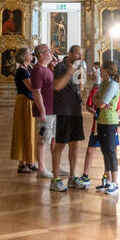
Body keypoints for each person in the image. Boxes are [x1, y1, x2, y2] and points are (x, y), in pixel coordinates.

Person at [50, 44, 87, 192]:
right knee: (60, 145)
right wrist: (71, 71)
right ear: (70, 54)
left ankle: (72, 177)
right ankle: (55, 179)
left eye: (81, 54)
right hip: (64, 109)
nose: (80, 57)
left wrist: (81, 76)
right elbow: (57, 86)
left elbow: (80, 89)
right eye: (77, 54)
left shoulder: (77, 68)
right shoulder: (60, 67)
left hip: (75, 109)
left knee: (74, 144)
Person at [29, 43, 55, 178]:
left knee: (53, 138)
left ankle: (56, 166)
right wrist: (42, 111)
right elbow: (36, 92)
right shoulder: (38, 70)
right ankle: (41, 169)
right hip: (46, 111)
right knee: (43, 139)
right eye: (48, 51)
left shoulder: (47, 69)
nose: (51, 53)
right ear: (41, 54)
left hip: (53, 109)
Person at [94, 60, 120, 195]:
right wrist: (101, 102)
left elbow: (102, 103)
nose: (100, 71)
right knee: (104, 151)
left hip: (110, 121)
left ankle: (115, 183)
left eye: (102, 69)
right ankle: (108, 181)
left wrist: (101, 102)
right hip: (102, 120)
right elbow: (95, 99)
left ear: (107, 70)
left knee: (110, 151)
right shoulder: (104, 83)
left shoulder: (113, 84)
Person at [11, 47, 37, 173]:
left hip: (29, 101)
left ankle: (29, 161)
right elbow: (31, 87)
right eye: (28, 53)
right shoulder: (21, 71)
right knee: (23, 130)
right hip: (24, 102)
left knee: (30, 131)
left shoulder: (28, 68)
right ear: (23, 56)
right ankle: (21, 164)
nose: (31, 54)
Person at [78, 60, 101, 186]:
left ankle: (108, 178)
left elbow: (117, 109)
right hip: (96, 125)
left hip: (109, 125)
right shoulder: (95, 90)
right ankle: (85, 175)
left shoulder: (113, 88)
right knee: (90, 149)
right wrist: (95, 113)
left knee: (109, 152)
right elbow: (88, 106)